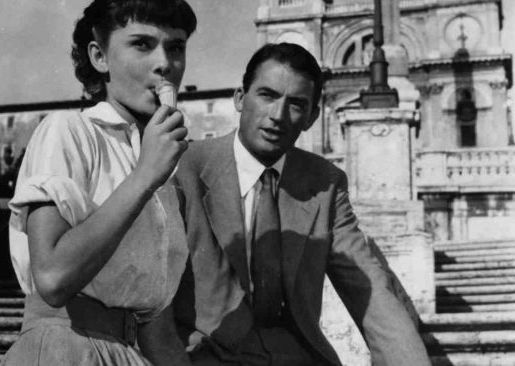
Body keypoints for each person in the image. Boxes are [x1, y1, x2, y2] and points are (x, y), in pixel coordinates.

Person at [173, 43, 431, 366]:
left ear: (311, 117)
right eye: (267, 95)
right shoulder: (187, 168)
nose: (277, 116)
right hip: (205, 355)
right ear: (240, 98)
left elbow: (368, 288)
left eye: (296, 104)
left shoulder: (325, 183)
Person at [1, 0, 196, 365]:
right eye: (142, 44)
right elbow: (53, 279)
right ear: (99, 57)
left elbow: (156, 327)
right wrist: (143, 177)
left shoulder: (159, 170)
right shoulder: (68, 131)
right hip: (65, 349)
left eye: (175, 47)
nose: (164, 63)